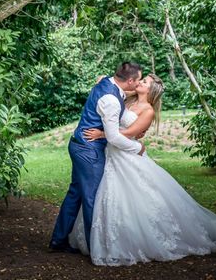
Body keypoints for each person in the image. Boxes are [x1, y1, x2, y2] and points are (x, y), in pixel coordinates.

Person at [68, 73, 216, 266]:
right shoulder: (127, 98)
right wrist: (102, 80)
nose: (139, 82)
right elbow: (108, 84)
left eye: (144, 82)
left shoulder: (148, 110)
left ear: (151, 90)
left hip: (127, 155)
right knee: (104, 194)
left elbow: (129, 133)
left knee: (139, 196)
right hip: (112, 154)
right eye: (141, 80)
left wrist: (102, 133)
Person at [49, 62, 145, 254]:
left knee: (75, 195)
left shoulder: (108, 83)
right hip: (88, 150)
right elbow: (113, 137)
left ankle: (58, 241)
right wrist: (137, 147)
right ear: (130, 80)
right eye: (139, 80)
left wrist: (138, 127)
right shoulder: (110, 98)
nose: (139, 83)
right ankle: (97, 248)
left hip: (80, 145)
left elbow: (122, 115)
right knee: (93, 198)